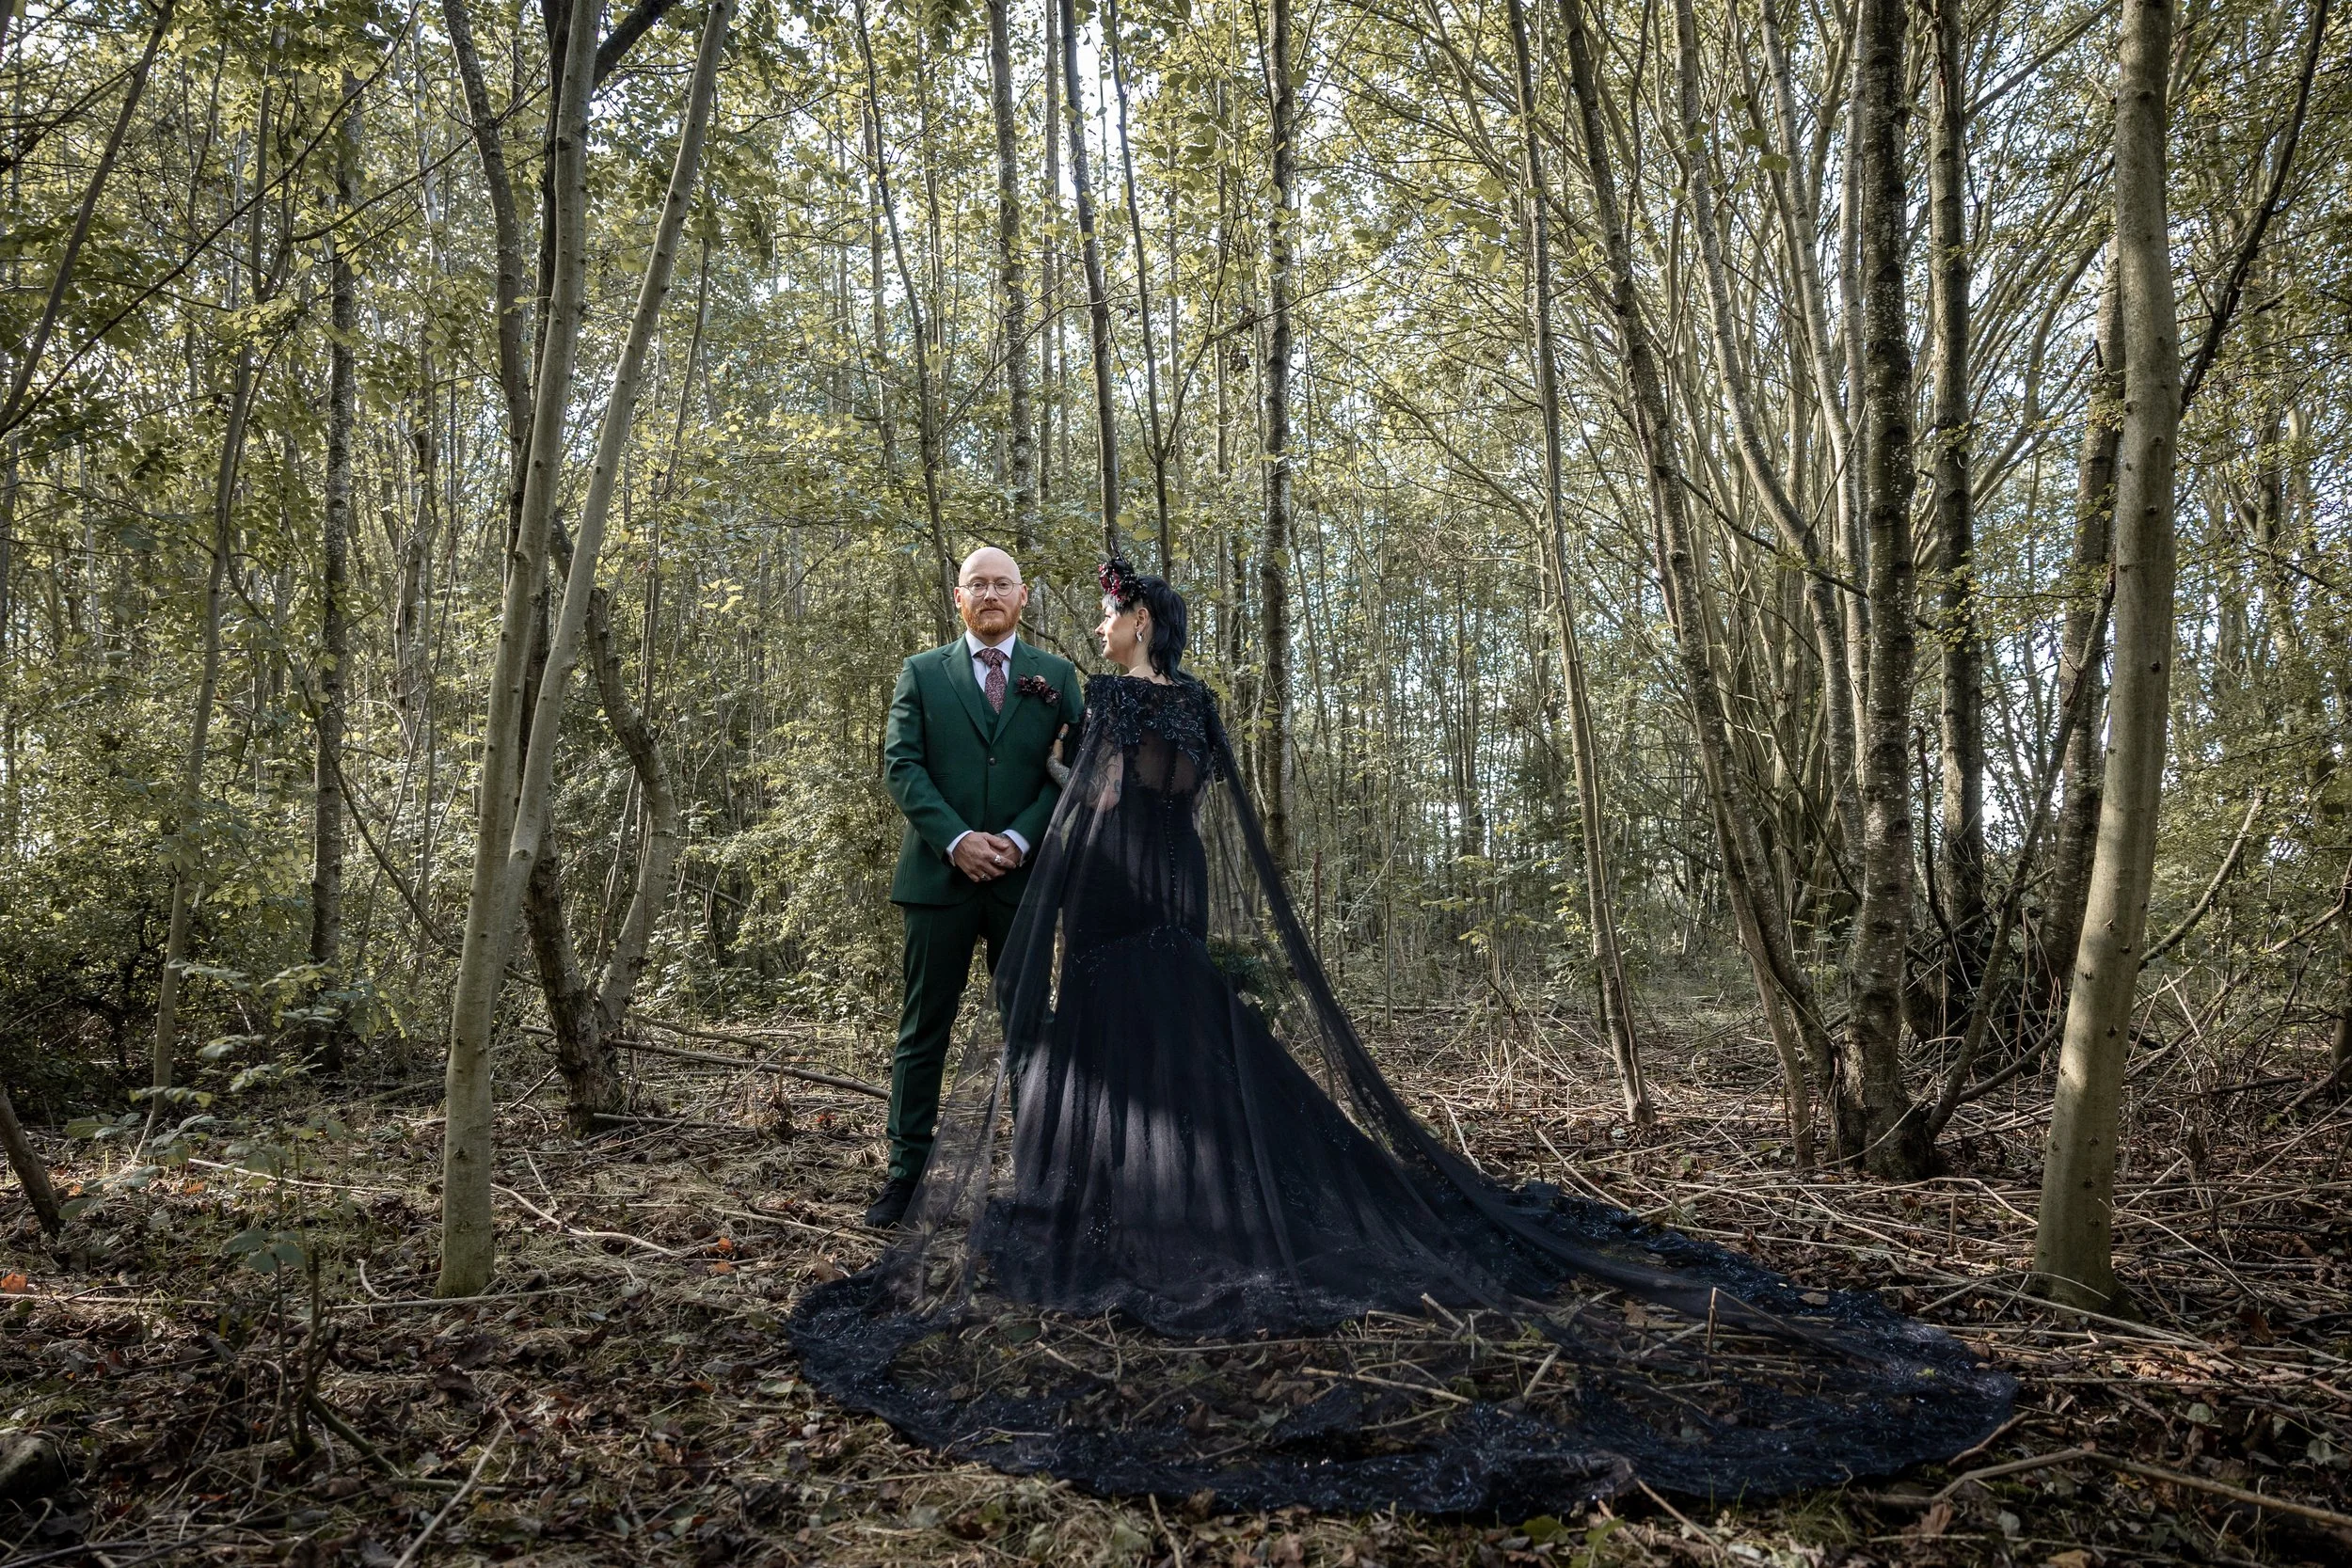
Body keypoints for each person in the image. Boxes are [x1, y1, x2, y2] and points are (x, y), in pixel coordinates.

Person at [796, 559, 2012, 1513]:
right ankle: (1129, 1189)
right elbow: (1173, 792)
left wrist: (1054, 802)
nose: (1100, 623)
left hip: (1117, 883)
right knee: (1146, 1037)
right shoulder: (1193, 706)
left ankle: (1122, 1202)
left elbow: (1097, 783)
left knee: (1119, 1038)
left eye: (1114, 612)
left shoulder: (1106, 692)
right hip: (1167, 881)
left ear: (1139, 625)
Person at [867, 546, 1083, 1230]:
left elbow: (1081, 773)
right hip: (939, 880)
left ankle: (1038, 1182)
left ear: (1024, 599)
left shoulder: (1057, 676)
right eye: (977, 585)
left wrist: (1019, 839)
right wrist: (957, 840)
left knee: (1029, 1030)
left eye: (1003, 584)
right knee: (921, 1030)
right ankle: (905, 1175)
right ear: (957, 599)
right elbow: (901, 765)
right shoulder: (921, 674)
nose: (991, 594)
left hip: (1024, 882)